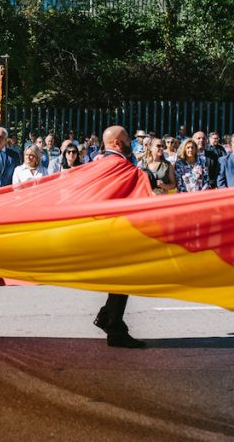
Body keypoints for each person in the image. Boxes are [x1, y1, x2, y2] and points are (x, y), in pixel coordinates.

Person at [93, 125, 146, 349]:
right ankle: (114, 328)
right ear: (117, 143)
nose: (130, 143)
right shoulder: (121, 166)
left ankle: (108, 318)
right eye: (126, 140)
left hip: (103, 230)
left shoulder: (98, 164)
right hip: (119, 230)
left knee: (119, 280)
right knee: (122, 280)